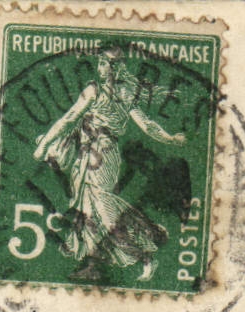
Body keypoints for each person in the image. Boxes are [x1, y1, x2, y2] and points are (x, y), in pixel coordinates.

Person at [32, 45, 187, 281]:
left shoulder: (121, 94)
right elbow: (69, 119)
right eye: (101, 63)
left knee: (104, 210)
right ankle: (93, 261)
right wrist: (45, 145)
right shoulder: (95, 91)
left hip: (103, 156)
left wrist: (170, 139)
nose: (103, 67)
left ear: (117, 67)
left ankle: (145, 255)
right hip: (86, 155)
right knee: (88, 208)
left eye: (107, 63)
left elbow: (146, 125)